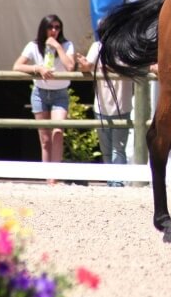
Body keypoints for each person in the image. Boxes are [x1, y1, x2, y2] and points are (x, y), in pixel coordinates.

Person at [12, 14, 75, 181]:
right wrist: (37, 69)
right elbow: (17, 66)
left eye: (57, 27)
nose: (54, 30)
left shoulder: (67, 45)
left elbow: (70, 67)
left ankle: (55, 176)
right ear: (44, 29)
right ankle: (48, 177)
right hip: (40, 93)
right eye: (50, 27)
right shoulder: (33, 45)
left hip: (60, 94)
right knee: (45, 138)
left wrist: (58, 47)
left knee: (58, 132)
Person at [76, 40, 133, 187]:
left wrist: (104, 67)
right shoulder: (97, 46)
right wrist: (84, 65)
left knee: (118, 149)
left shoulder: (126, 45)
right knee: (106, 150)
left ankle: (117, 182)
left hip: (122, 106)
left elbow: (131, 68)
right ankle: (111, 181)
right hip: (101, 107)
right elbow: (87, 67)